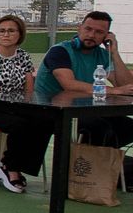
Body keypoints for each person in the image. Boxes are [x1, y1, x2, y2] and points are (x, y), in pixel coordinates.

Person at [0, 15, 50, 193]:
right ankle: (10, 168)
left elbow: (29, 91)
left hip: (14, 108)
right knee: (19, 124)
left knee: (45, 120)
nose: (6, 34)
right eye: (2, 31)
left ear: (20, 34)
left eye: (11, 30)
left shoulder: (24, 58)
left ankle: (18, 165)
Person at [34, 10, 133, 147]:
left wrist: (114, 53)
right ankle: (80, 164)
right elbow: (69, 85)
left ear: (106, 36)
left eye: (99, 32)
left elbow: (127, 86)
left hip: (82, 110)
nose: (91, 35)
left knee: (128, 127)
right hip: (51, 111)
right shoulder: (60, 51)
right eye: (88, 29)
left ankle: (96, 162)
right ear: (79, 28)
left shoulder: (103, 55)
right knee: (98, 127)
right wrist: (114, 91)